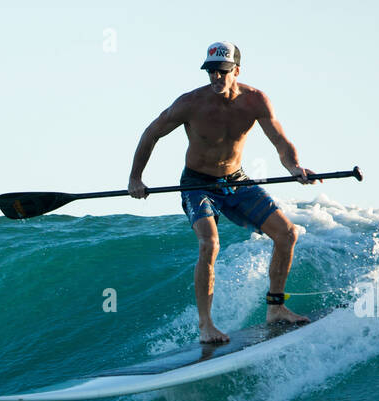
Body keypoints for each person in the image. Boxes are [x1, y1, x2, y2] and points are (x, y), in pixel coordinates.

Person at [128, 42, 318, 343]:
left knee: (287, 234)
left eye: (222, 71)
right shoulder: (191, 103)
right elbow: (151, 133)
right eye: (211, 71)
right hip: (197, 184)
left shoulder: (256, 101)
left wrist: (295, 168)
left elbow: (280, 141)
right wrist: (136, 178)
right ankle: (206, 326)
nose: (216, 77)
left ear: (236, 71)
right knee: (209, 243)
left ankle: (276, 308)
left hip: (236, 181)